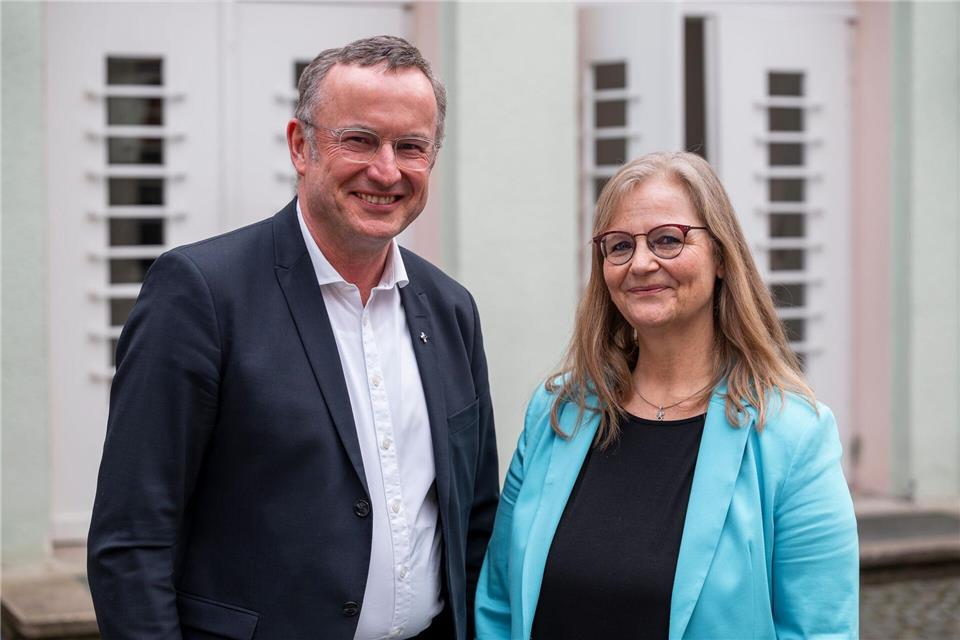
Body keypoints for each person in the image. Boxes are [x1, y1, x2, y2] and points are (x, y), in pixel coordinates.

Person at [88, 36, 499, 640]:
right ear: (300, 146)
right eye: (359, 139)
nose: (386, 170)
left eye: (410, 147)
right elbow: (132, 539)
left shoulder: (451, 310)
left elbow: (474, 521)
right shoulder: (200, 294)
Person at [475, 151, 858, 639]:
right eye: (618, 246)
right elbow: (498, 604)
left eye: (668, 240)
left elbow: (820, 630)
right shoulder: (557, 413)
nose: (641, 263)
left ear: (721, 256)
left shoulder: (792, 435)